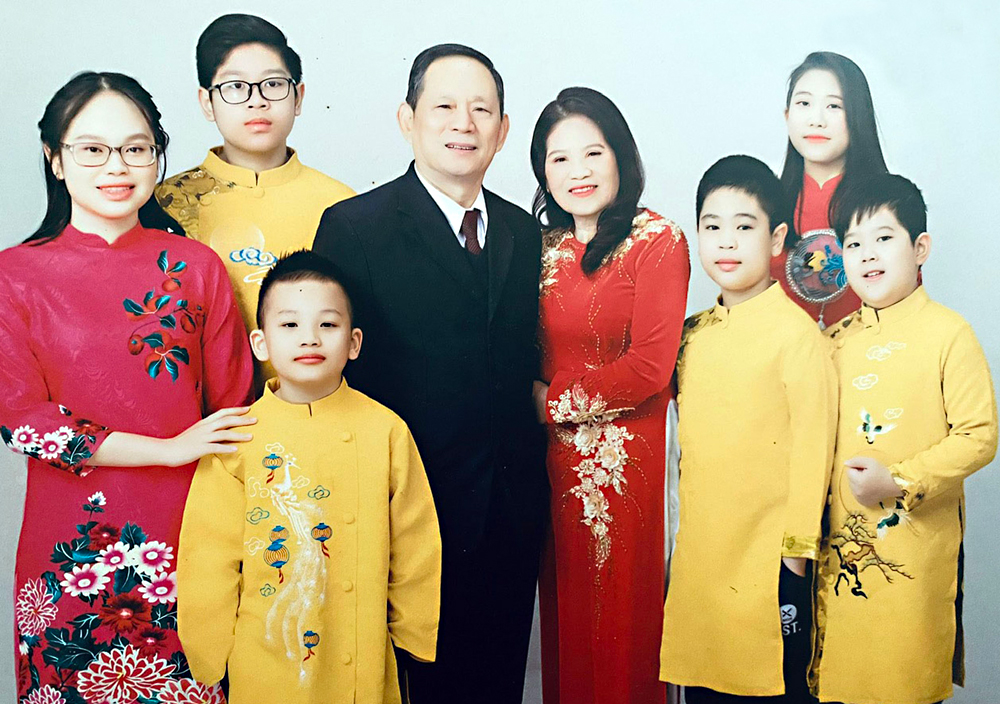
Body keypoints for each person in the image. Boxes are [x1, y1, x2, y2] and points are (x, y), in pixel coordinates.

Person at [1, 72, 254, 703]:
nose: (117, 166)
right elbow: (21, 420)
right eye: (92, 149)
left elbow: (236, 410)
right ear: (55, 159)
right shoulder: (15, 275)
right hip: (70, 555)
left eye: (136, 148)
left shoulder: (194, 267)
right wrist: (167, 449)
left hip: (193, 538)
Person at [312, 43, 546, 704]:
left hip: (510, 513)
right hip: (407, 514)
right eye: (444, 106)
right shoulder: (355, 228)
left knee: (498, 686)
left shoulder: (521, 231)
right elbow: (332, 379)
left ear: (503, 129)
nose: (463, 123)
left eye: (481, 110)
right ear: (407, 120)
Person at [177, 250, 441, 704]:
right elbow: (208, 554)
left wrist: (412, 632)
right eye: (290, 324)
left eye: (328, 324)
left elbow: (415, 541)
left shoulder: (385, 429)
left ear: (354, 343)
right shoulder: (237, 437)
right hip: (264, 651)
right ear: (261, 343)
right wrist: (210, 651)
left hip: (360, 643)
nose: (309, 339)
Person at [529, 87, 689, 704]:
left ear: (620, 155)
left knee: (626, 627)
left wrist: (550, 403)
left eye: (593, 153)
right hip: (555, 467)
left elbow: (650, 367)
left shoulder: (657, 241)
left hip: (629, 468)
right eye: (559, 158)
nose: (579, 171)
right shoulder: (542, 247)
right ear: (544, 172)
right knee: (568, 623)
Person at [812, 174, 997, 704]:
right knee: (842, 682)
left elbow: (980, 434)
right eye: (853, 243)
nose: (867, 254)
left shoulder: (949, 333)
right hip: (839, 552)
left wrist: (898, 480)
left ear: (920, 249)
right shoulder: (831, 342)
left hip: (913, 556)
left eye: (884, 238)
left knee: (905, 683)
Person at [659, 156, 836, 703]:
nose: (727, 242)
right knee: (705, 687)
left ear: (777, 238)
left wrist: (795, 557)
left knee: (770, 687)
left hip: (769, 561)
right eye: (712, 226)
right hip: (701, 561)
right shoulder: (690, 336)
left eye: (744, 226)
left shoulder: (797, 336)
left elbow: (814, 450)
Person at [156, 14, 354, 361]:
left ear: (298, 97)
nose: (257, 101)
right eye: (235, 86)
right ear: (207, 102)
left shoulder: (343, 206)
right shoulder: (164, 203)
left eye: (273, 84)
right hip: (199, 396)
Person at [774, 51, 889, 328]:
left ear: (858, 117)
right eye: (804, 103)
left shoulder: (889, 204)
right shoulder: (763, 204)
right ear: (787, 115)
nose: (817, 120)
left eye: (834, 106)